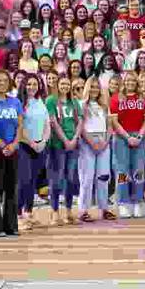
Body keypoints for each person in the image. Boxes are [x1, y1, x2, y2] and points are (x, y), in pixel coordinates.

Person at [0, 69, 24, 237]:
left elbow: (20, 126)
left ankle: (11, 226)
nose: (1, 83)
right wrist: (2, 145)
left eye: (4, 80)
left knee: (11, 187)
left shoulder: (15, 102)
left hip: (13, 149)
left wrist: (14, 144)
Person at [110, 71, 145, 219]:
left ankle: (137, 202)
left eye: (133, 81)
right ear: (123, 82)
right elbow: (114, 122)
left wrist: (139, 136)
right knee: (122, 171)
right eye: (127, 80)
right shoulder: (116, 99)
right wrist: (127, 137)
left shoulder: (144, 99)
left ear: (137, 83)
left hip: (140, 137)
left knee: (138, 170)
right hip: (121, 137)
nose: (130, 83)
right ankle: (123, 203)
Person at [45, 75, 82, 225]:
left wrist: (74, 139)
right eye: (62, 84)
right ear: (57, 85)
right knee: (57, 178)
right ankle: (54, 211)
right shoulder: (51, 101)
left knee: (71, 178)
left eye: (67, 84)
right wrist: (65, 140)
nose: (65, 86)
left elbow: (80, 121)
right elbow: (53, 123)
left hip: (73, 145)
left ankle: (68, 210)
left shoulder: (74, 102)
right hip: (58, 145)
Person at [77, 77, 114, 221]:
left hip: (104, 141)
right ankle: (83, 210)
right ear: (87, 88)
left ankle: (104, 208)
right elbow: (81, 127)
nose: (94, 89)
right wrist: (91, 142)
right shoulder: (81, 105)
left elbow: (110, 125)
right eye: (91, 86)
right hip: (87, 142)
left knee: (103, 177)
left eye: (97, 87)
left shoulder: (104, 105)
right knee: (87, 177)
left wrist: (105, 141)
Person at [17, 74, 50, 228]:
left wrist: (43, 141)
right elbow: (20, 127)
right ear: (24, 85)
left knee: (33, 181)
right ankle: (17, 215)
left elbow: (46, 124)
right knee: (24, 180)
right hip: (24, 146)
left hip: (39, 146)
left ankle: (29, 212)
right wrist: (31, 143)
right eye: (29, 84)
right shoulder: (19, 103)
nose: (32, 87)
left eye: (34, 84)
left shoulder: (40, 102)